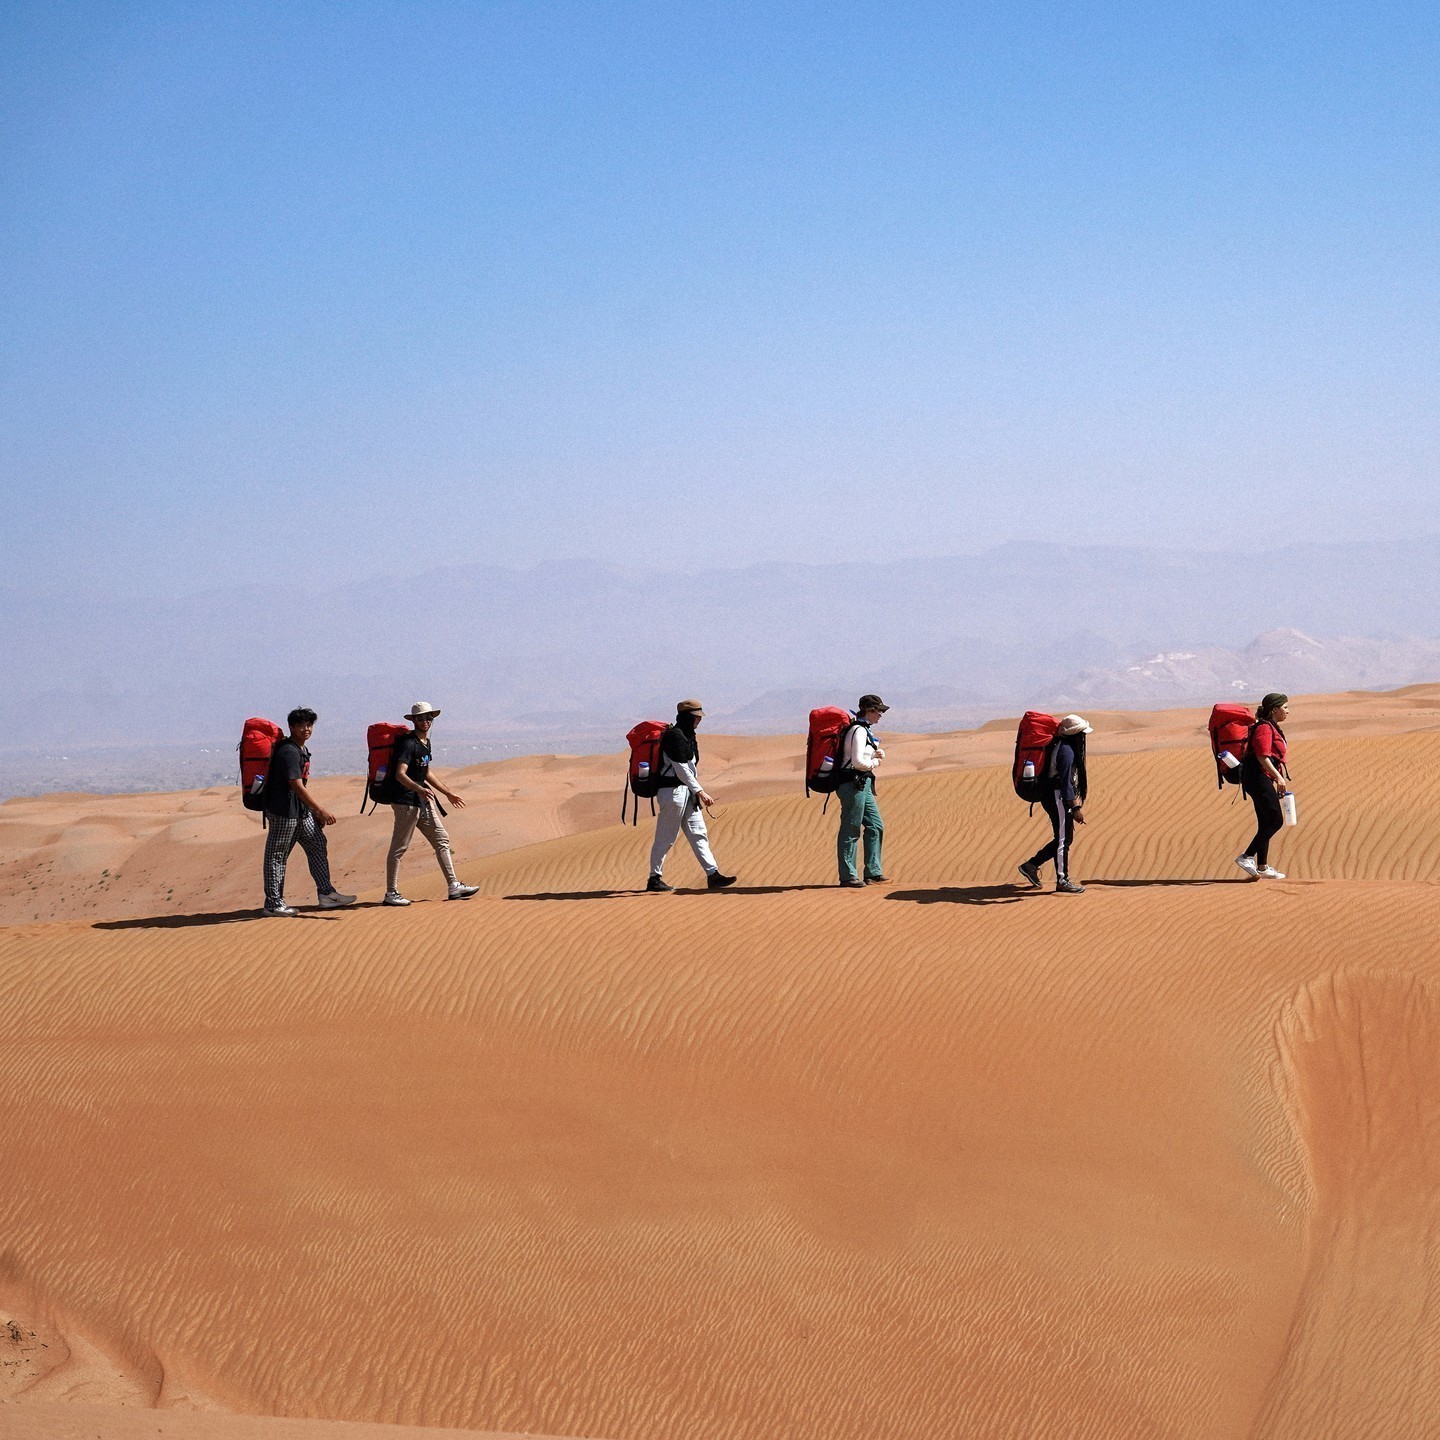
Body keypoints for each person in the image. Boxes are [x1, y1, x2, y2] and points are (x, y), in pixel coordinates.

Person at [260, 707, 356, 917]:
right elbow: (295, 783)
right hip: (283, 812)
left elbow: (299, 784)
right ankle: (273, 903)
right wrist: (319, 809)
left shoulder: (300, 750)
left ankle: (326, 894)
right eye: (301, 725)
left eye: (309, 725)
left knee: (317, 844)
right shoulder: (289, 751)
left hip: (300, 813)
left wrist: (310, 812)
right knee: (277, 856)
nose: (306, 729)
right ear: (292, 727)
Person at [383, 702, 480, 906]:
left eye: (428, 718)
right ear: (413, 720)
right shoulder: (409, 744)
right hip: (406, 802)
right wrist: (419, 789)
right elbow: (400, 774)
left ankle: (453, 885)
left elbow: (426, 771)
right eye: (421, 718)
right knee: (399, 847)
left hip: (422, 800)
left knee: (441, 839)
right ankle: (391, 893)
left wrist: (448, 793)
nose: (425, 721)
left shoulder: (425, 742)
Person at [646, 700, 737, 892]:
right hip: (673, 793)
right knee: (666, 836)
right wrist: (700, 791)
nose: (699, 721)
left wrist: (695, 791)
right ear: (687, 717)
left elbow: (690, 767)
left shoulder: (688, 736)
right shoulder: (674, 737)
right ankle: (654, 878)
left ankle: (713, 875)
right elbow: (681, 769)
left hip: (687, 793)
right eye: (696, 717)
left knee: (698, 834)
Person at [1017, 713, 1091, 895]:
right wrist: (1075, 808)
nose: (1084, 738)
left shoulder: (1063, 746)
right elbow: (1065, 783)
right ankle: (1062, 880)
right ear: (1075, 735)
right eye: (1082, 734)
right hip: (1057, 796)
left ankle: (1031, 865)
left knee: (1064, 838)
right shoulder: (1066, 750)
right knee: (1063, 839)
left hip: (1055, 795)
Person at [1236, 693, 1291, 880]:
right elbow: (1262, 756)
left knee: (1265, 821)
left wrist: (1276, 778)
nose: (1288, 711)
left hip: (1261, 777)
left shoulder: (1271, 727)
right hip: (1257, 777)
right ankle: (1246, 857)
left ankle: (1262, 866)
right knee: (1275, 820)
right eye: (1285, 707)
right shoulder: (1264, 728)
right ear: (1274, 709)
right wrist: (1279, 778)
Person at [837, 695, 889, 888]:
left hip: (863, 784)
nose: (880, 715)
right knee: (851, 828)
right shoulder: (858, 730)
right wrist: (875, 762)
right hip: (852, 783)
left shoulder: (864, 730)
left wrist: (876, 753)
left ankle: (873, 872)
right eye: (878, 711)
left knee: (876, 826)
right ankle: (848, 875)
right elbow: (858, 762)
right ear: (868, 710)